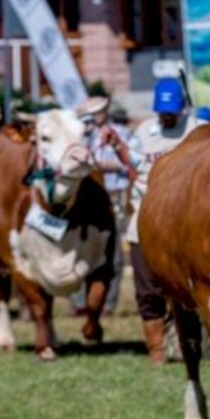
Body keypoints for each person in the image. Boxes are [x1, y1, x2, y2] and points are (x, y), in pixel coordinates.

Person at [127, 78, 200, 363]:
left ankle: (188, 345)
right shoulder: (144, 131)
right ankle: (156, 348)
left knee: (188, 290)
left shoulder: (196, 130)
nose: (167, 116)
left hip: (186, 225)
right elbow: (133, 165)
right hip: (144, 221)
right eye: (162, 111)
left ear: (182, 107)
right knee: (148, 290)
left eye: (172, 110)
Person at [71, 97, 137, 316]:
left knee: (114, 254)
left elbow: (131, 161)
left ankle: (108, 304)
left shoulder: (121, 134)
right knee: (78, 250)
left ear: (104, 113)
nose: (92, 120)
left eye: (96, 114)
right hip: (87, 198)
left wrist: (103, 165)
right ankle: (80, 302)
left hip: (115, 196)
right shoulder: (82, 136)